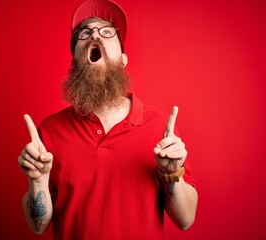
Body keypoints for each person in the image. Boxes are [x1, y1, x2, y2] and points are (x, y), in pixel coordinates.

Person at [18, 0, 198, 239]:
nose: (94, 35)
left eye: (106, 32)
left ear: (123, 59)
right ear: (74, 62)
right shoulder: (50, 130)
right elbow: (37, 226)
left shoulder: (160, 127)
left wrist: (172, 174)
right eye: (85, 33)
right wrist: (38, 181)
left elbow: (185, 220)